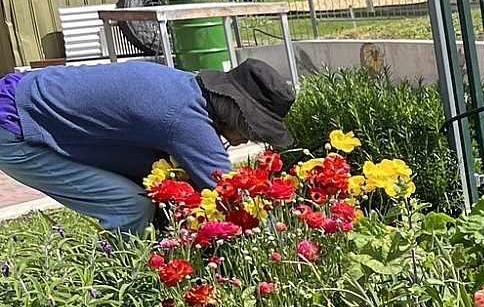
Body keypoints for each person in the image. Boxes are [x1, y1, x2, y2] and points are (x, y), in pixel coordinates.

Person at [0, 59, 296, 235]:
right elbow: (229, 194)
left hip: (27, 98)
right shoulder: (184, 119)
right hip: (15, 125)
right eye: (250, 130)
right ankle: (122, 287)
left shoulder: (186, 88)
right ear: (236, 112)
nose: (245, 141)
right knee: (129, 205)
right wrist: (282, 242)